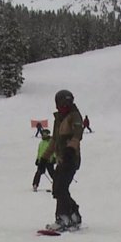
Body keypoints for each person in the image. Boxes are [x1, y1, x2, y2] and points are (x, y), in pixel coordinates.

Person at [43, 89, 84, 231]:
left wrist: (70, 149)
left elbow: (78, 134)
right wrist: (44, 158)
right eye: (62, 104)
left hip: (71, 158)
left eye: (67, 103)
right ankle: (73, 213)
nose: (64, 106)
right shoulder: (59, 119)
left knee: (60, 188)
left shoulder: (74, 116)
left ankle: (62, 217)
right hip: (61, 159)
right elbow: (54, 140)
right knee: (58, 189)